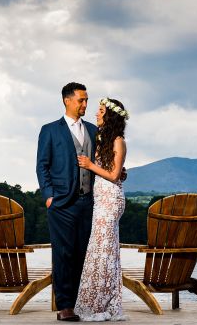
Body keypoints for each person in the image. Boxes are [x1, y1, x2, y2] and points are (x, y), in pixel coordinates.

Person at [36, 82, 97, 322]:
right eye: (81, 100)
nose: (85, 104)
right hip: (61, 204)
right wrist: (49, 196)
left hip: (88, 203)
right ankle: (64, 306)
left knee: (84, 254)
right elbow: (42, 166)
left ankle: (81, 302)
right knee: (63, 254)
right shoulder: (50, 130)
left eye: (86, 100)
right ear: (67, 100)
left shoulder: (93, 130)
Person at [74, 97, 129, 322]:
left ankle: (100, 304)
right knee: (103, 250)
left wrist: (90, 165)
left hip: (111, 200)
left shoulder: (118, 140)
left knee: (103, 251)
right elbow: (117, 170)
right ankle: (103, 302)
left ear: (110, 116)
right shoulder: (103, 139)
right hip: (100, 200)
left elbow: (115, 175)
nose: (96, 113)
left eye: (100, 110)